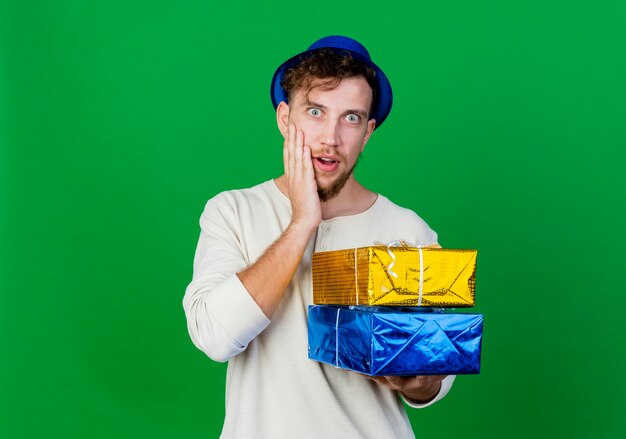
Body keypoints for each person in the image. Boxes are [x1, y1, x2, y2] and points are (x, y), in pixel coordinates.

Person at [183, 35, 455, 438]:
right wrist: (301, 223)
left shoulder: (408, 230)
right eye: (315, 111)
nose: (331, 137)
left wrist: (420, 379)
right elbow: (215, 337)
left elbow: (436, 377)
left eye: (351, 118)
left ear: (368, 132)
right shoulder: (232, 211)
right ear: (284, 118)